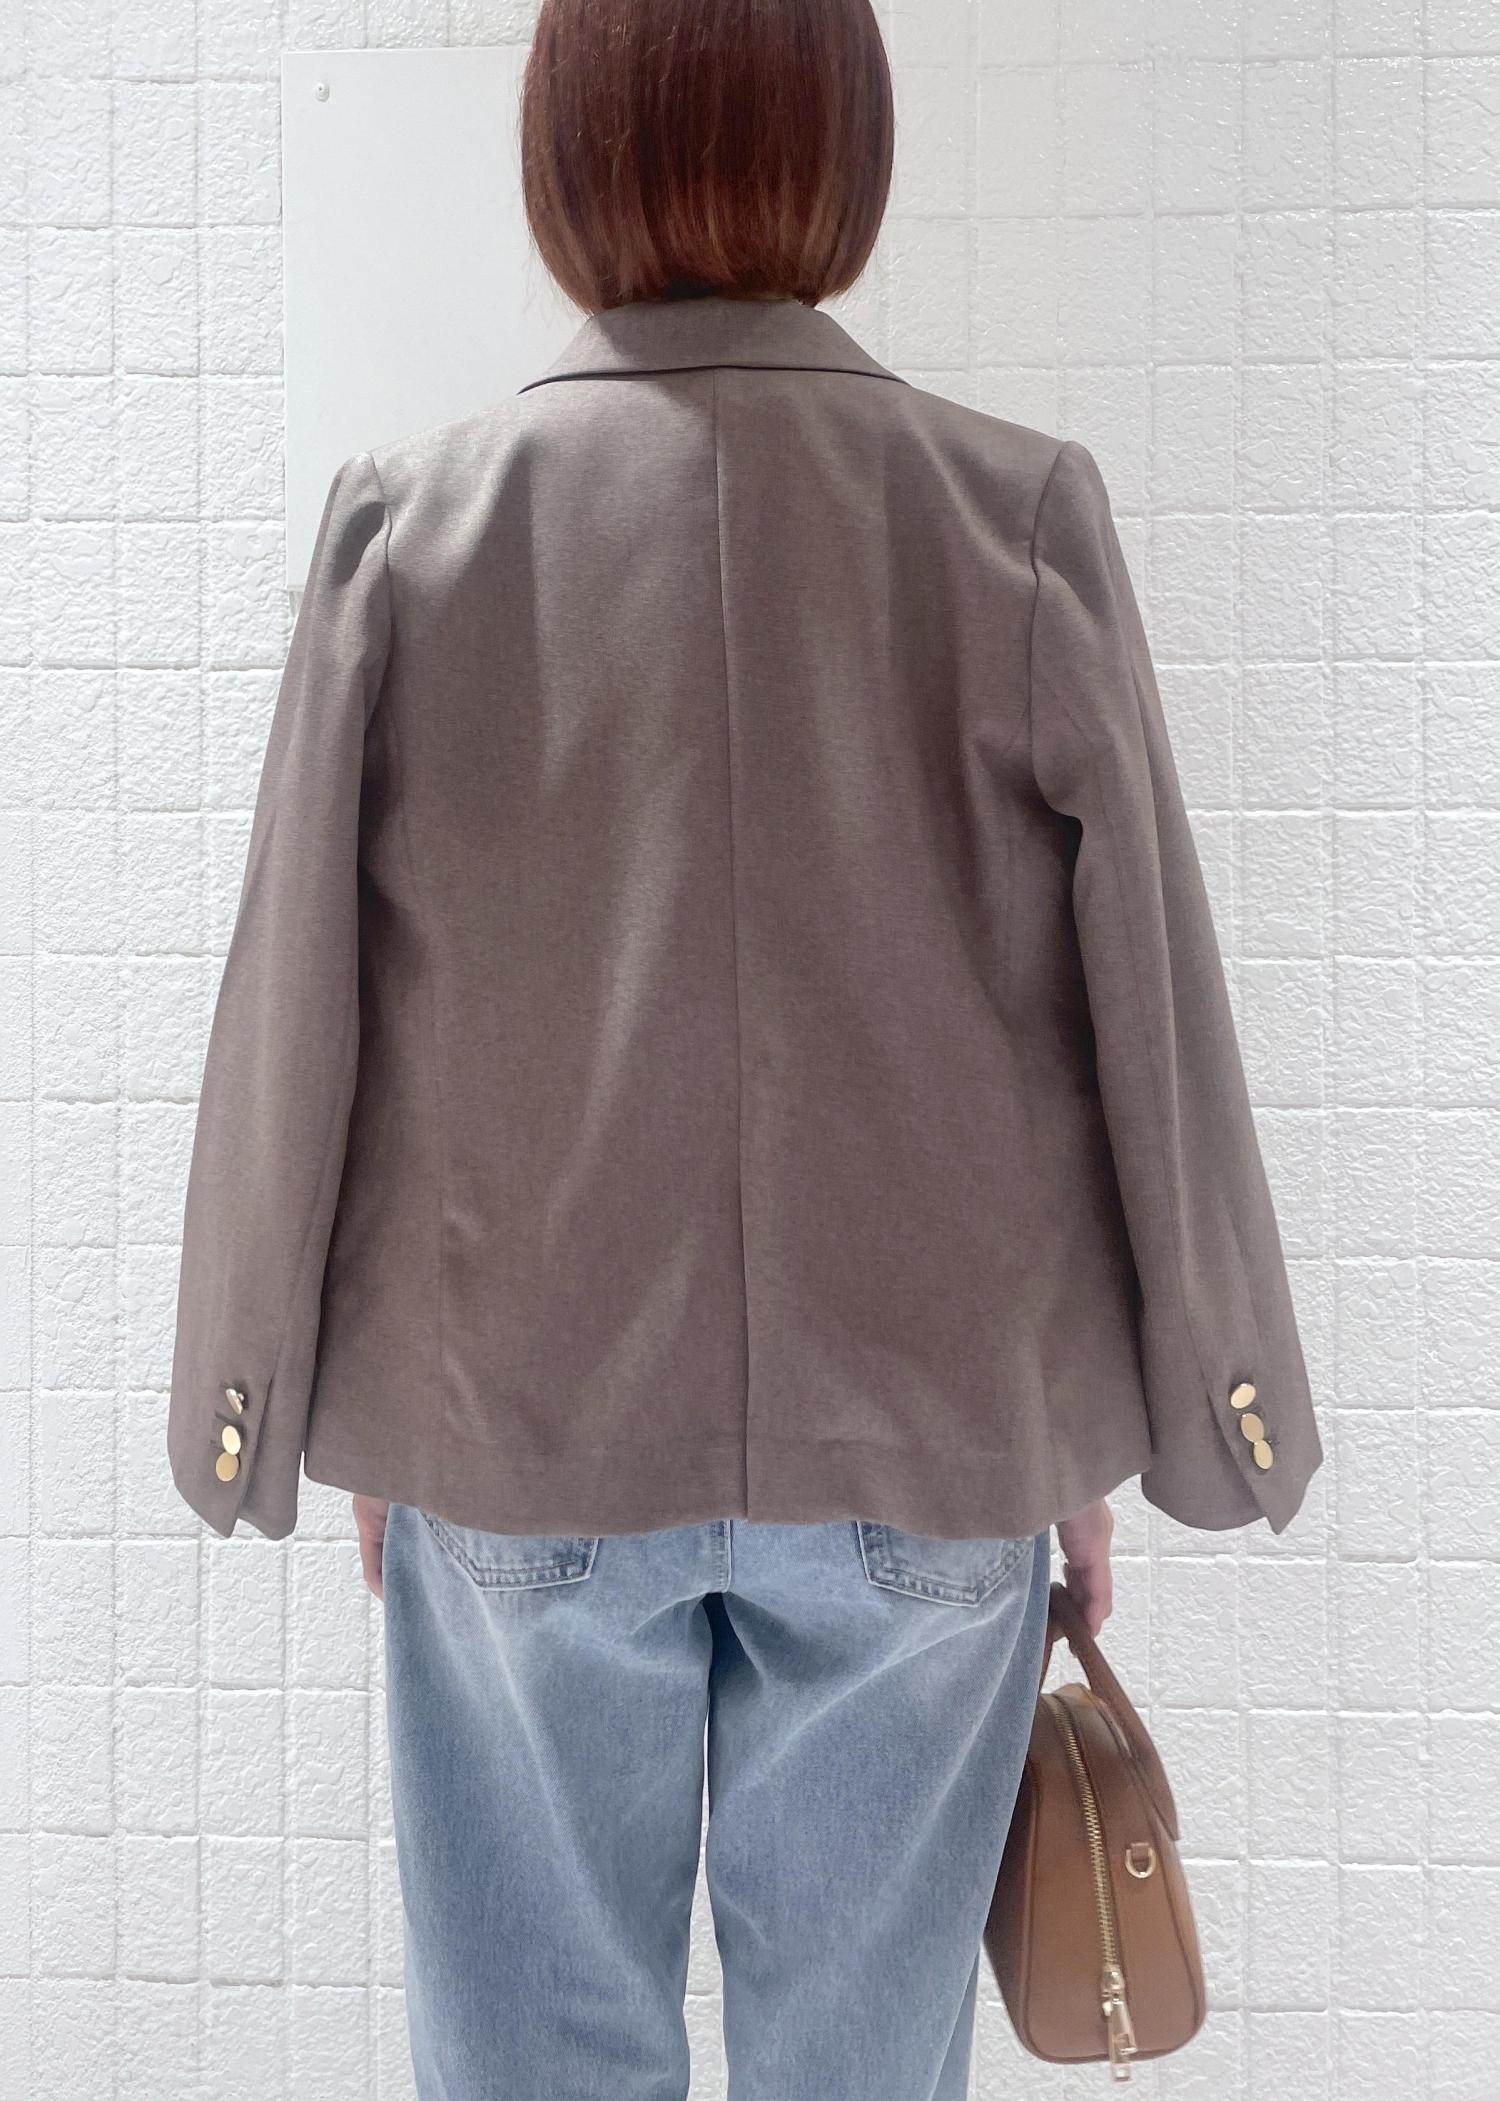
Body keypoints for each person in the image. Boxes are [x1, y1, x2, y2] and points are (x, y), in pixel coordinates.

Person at [165, 0, 1323, 2092]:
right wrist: (1139, 1415)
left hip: (519, 1428)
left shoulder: (412, 532)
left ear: (565, 157)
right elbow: (1147, 1000)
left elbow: (300, 1008)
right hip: (930, 1443)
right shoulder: (1016, 516)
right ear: (847, 153)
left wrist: (287, 1397)